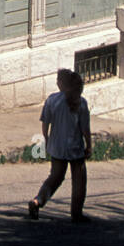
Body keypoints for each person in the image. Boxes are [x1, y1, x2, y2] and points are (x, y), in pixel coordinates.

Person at [28, 69, 92, 222]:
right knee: (79, 181)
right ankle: (76, 214)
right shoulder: (80, 102)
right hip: (75, 148)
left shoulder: (52, 100)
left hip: (57, 147)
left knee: (55, 178)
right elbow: (85, 129)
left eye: (58, 80)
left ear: (62, 84)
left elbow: (45, 123)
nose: (56, 82)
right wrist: (89, 145)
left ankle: (38, 201)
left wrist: (47, 139)